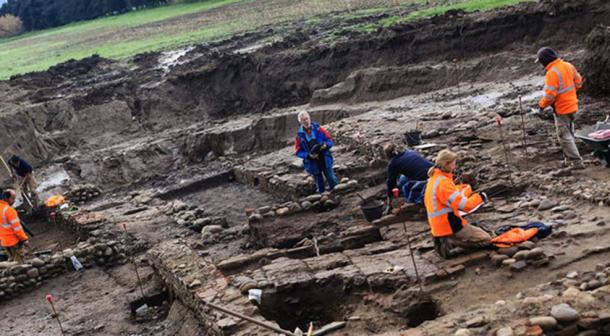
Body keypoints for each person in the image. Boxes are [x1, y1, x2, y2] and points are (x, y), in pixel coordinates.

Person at [423, 150, 491, 259]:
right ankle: (452, 243)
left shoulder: (433, 179)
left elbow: (448, 197)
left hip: (438, 224)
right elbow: (466, 206)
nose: (455, 167)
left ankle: (448, 240)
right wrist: (480, 197)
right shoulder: (443, 183)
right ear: (446, 164)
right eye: (453, 164)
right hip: (449, 225)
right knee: (486, 239)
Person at [536, 47, 584, 168]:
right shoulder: (568, 65)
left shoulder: (552, 72)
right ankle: (569, 161)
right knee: (569, 133)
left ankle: (576, 162)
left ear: (544, 60)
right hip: (573, 105)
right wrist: (570, 94)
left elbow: (549, 96)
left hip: (562, 109)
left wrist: (541, 105)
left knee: (564, 136)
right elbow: (578, 82)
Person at [294, 111, 338, 193]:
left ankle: (338, 194)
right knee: (319, 183)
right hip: (312, 162)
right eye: (303, 120)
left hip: (324, 158)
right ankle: (322, 197)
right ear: (300, 122)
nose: (306, 121)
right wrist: (308, 156)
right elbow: (298, 151)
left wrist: (326, 145)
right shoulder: (299, 136)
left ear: (309, 118)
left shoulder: (319, 129)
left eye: (307, 119)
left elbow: (330, 141)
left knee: (331, 178)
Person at [383, 143, 433, 213]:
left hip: (427, 178)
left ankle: (415, 201)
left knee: (407, 185)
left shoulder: (393, 163)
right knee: (403, 179)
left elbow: (391, 183)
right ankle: (409, 195)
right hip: (433, 170)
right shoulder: (409, 152)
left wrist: (389, 204)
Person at [0, 189, 30, 263]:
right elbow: (17, 228)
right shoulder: (9, 210)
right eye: (13, 198)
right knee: (19, 264)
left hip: (4, 241)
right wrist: (24, 239)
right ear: (7, 198)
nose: (14, 201)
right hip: (14, 241)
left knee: (11, 263)